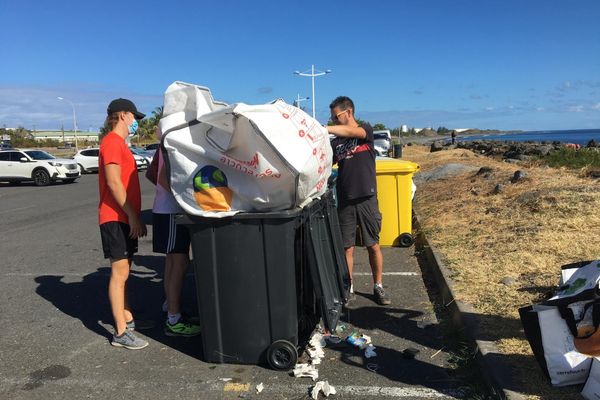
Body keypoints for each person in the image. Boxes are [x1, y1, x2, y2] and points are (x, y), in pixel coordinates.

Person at [327, 96, 390, 305]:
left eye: (336, 116)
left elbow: (352, 132)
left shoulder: (365, 131)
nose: (333, 120)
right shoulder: (336, 144)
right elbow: (325, 162)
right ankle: (348, 286)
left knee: (373, 245)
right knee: (347, 247)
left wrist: (325, 129)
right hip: (345, 199)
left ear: (349, 112)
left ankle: (378, 286)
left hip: (367, 197)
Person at [99, 98, 149, 349]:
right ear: (123, 115)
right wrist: (132, 215)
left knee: (125, 272)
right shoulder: (111, 143)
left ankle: (127, 319)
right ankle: (120, 333)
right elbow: (114, 182)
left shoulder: (120, 144)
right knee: (119, 274)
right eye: (134, 118)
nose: (135, 123)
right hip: (115, 217)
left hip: (124, 217)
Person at [152, 129, 201, 337]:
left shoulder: (169, 144)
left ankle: (172, 308)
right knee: (179, 263)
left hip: (167, 210)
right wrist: (184, 198)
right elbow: (162, 178)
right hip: (170, 211)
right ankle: (174, 318)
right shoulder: (169, 145)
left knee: (174, 262)